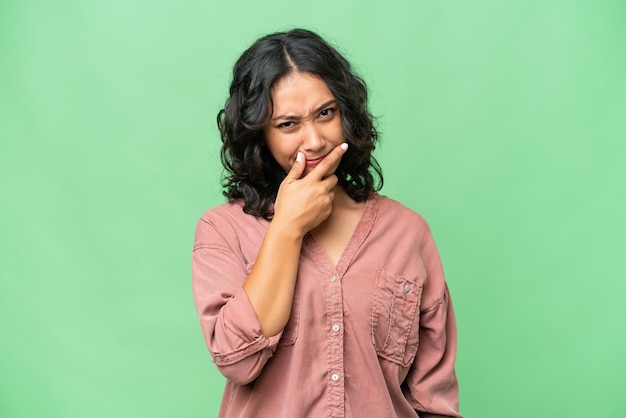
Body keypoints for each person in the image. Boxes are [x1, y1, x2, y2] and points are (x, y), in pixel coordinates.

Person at [192, 28, 463, 418]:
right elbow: (237, 361)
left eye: (325, 113)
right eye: (288, 124)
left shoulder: (407, 232)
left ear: (346, 113)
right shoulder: (223, 231)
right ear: (260, 134)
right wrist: (286, 228)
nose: (315, 140)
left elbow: (434, 399)